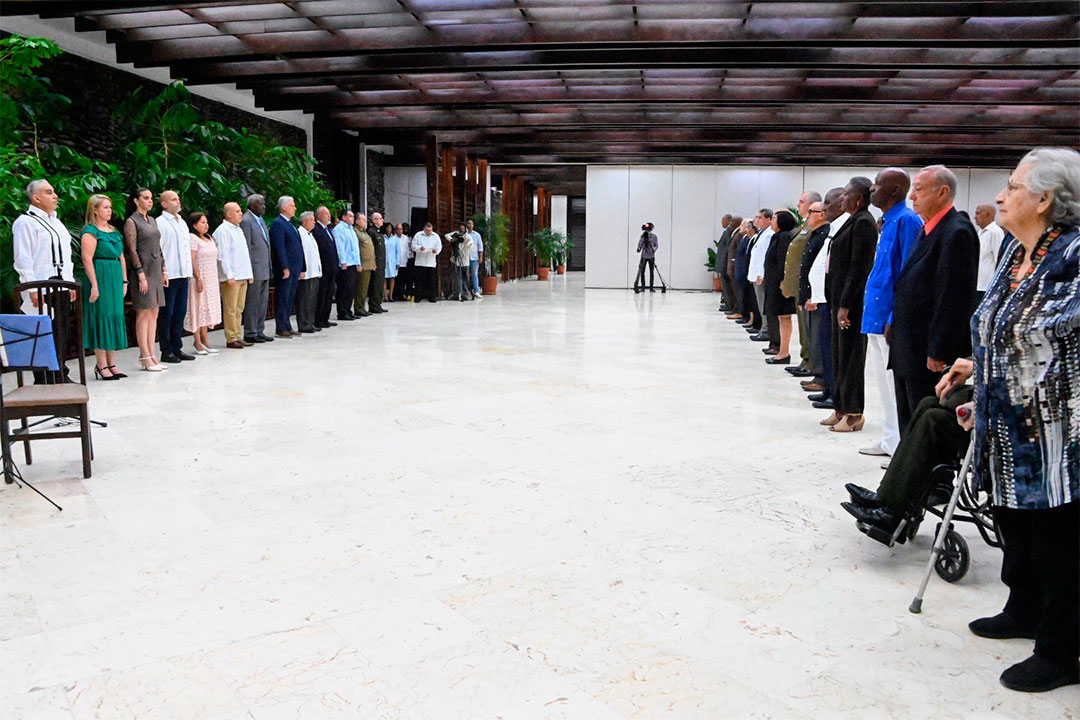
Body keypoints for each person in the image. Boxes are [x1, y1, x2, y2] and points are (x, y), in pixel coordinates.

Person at [945, 147, 1079, 693]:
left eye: (1015, 186)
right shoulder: (1014, 253)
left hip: (1059, 435)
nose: (1001, 196)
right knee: (1016, 530)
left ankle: (1063, 649)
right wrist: (980, 377)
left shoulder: (1071, 256)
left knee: (1059, 543)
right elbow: (1002, 329)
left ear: (1046, 199)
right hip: (1005, 425)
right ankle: (1022, 608)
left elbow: (1050, 334)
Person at [890, 165, 979, 435]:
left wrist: (938, 349)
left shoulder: (956, 232)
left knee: (923, 420)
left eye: (918, 190)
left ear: (942, 192)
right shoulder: (927, 229)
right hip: (908, 345)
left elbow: (953, 297)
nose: (912, 197)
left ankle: (925, 477)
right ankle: (904, 476)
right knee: (908, 419)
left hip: (928, 351)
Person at [860, 168, 923, 458]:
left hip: (888, 317)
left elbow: (909, 274)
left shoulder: (907, 221)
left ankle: (900, 444)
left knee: (892, 383)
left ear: (896, 190)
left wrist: (894, 318)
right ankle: (889, 439)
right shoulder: (887, 221)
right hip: (875, 311)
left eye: (877, 184)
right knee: (882, 384)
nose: (872, 189)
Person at [823, 177, 877, 432]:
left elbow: (859, 267)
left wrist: (845, 304)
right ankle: (841, 407)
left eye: (846, 194)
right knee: (840, 357)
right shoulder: (852, 221)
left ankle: (854, 413)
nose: (841, 198)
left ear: (859, 198)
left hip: (851, 304)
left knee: (852, 358)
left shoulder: (865, 223)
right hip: (838, 300)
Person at [12, 179, 77, 382]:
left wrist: (71, 280)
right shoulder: (25, 222)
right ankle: (43, 377)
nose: (55, 195)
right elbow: (23, 256)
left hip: (61, 284)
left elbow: (66, 255)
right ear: (36, 198)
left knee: (61, 330)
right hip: (40, 286)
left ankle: (60, 373)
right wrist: (30, 287)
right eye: (49, 192)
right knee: (42, 333)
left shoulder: (56, 222)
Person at [806, 188, 851, 412]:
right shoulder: (835, 227)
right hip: (824, 297)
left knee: (832, 349)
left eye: (828, 203)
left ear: (841, 203)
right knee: (826, 347)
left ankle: (835, 393)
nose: (824, 208)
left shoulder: (846, 225)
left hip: (831, 298)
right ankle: (829, 389)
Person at [79, 194, 128, 380]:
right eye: (105, 207)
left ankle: (112, 362)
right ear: (95, 210)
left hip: (115, 275)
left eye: (110, 207)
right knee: (101, 317)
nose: (109, 210)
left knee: (114, 315)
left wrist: (124, 281)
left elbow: (122, 257)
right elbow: (87, 259)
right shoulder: (90, 232)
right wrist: (94, 285)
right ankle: (101, 364)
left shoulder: (113, 230)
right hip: (100, 274)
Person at [123, 188, 167, 372]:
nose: (150, 201)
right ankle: (144, 355)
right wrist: (139, 272)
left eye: (151, 198)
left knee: (154, 312)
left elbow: (158, 245)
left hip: (156, 270)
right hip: (143, 271)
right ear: (136, 200)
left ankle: (152, 354)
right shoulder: (132, 222)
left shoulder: (153, 220)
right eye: (146, 198)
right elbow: (131, 249)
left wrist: (164, 268)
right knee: (143, 313)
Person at [780, 192, 821, 373]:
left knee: (808, 328)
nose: (798, 205)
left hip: (806, 286)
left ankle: (810, 362)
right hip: (797, 285)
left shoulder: (814, 227)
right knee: (803, 328)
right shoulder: (804, 226)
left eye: (802, 202)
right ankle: (806, 360)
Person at [797, 199, 833, 393]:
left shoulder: (825, 234)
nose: (807, 215)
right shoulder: (815, 234)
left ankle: (821, 378)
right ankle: (818, 375)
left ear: (821, 214)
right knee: (813, 336)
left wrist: (813, 294)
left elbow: (821, 269)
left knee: (820, 340)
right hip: (809, 294)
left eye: (811, 211)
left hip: (817, 296)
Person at [156, 190, 194, 363]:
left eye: (178, 199)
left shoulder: (182, 223)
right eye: (173, 199)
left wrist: (189, 271)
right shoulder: (160, 223)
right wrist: (163, 270)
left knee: (180, 312)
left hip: (183, 273)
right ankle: (166, 350)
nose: (178, 202)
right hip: (169, 275)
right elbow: (159, 249)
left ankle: (177, 347)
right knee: (167, 313)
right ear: (164, 204)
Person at [214, 202, 254, 350]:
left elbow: (244, 254)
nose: (241, 213)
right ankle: (231, 337)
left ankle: (238, 335)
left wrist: (249, 273)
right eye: (237, 211)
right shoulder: (223, 231)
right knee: (230, 308)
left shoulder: (238, 230)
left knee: (239, 308)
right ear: (229, 214)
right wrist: (228, 275)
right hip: (232, 277)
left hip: (242, 274)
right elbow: (223, 256)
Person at [762, 210, 798, 364]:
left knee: (784, 316)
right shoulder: (777, 236)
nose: (772, 221)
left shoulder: (784, 237)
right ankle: (781, 350)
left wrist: (783, 281)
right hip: (773, 283)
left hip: (780, 284)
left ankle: (784, 352)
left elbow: (783, 260)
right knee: (780, 316)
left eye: (775, 218)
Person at [184, 211, 222, 355]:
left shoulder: (209, 238)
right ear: (194, 225)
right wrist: (198, 278)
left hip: (211, 278)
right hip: (199, 277)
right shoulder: (192, 238)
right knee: (198, 308)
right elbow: (192, 259)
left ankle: (205, 340)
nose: (206, 225)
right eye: (202, 223)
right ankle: (197, 341)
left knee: (207, 308)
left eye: (206, 222)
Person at [269, 196, 305, 337]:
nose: (295, 208)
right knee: (283, 297)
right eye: (292, 205)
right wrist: (285, 267)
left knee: (290, 298)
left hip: (295, 267)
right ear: (284, 207)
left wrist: (301, 267)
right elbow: (280, 248)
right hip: (286, 268)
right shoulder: (278, 224)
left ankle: (287, 324)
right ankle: (280, 327)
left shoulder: (290, 224)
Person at [240, 194, 274, 345]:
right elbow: (246, 246)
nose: (264, 206)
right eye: (261, 204)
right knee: (252, 302)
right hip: (254, 267)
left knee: (262, 301)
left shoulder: (260, 220)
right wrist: (248, 269)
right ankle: (250, 331)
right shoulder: (247, 221)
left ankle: (259, 330)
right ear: (252, 205)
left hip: (264, 267)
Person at [747, 209, 774, 342]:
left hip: (760, 275)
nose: (757, 220)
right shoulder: (761, 233)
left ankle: (766, 329)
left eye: (760, 218)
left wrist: (761, 274)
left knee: (763, 304)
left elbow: (765, 257)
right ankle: (763, 328)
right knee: (759, 303)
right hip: (755, 274)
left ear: (769, 219)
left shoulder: (769, 234)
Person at [294, 211, 322, 334]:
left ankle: (310, 322)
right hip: (306, 273)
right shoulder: (300, 233)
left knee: (312, 299)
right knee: (304, 299)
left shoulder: (310, 234)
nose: (314, 222)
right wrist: (301, 269)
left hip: (314, 272)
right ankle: (304, 323)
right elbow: (300, 253)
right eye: (311, 220)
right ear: (305, 221)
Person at [311, 206, 339, 329]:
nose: (329, 216)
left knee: (329, 294)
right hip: (323, 268)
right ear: (319, 216)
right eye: (326, 214)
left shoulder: (327, 229)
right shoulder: (316, 230)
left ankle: (325, 318)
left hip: (331, 268)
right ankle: (319, 319)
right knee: (322, 294)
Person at [974, 203, 1006, 304]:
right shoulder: (980, 232)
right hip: (977, 283)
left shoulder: (995, 232)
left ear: (988, 215)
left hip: (986, 285)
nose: (975, 217)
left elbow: (1000, 258)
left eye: (978, 214)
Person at [332, 209, 360, 320]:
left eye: (353, 216)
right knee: (344, 289)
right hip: (345, 264)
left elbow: (355, 248)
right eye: (350, 216)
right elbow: (340, 247)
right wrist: (343, 261)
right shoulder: (339, 229)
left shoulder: (351, 230)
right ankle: (342, 312)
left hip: (353, 263)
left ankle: (348, 310)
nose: (352, 218)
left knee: (351, 289)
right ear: (344, 217)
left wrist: (358, 262)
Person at [411, 222, 442, 302]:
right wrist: (419, 248)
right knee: (419, 280)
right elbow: (413, 246)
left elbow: (439, 247)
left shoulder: (435, 236)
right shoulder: (418, 235)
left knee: (431, 281)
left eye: (430, 230)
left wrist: (436, 251)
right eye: (427, 230)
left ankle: (431, 297)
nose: (429, 232)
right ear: (424, 229)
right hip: (420, 262)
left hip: (431, 262)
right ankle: (418, 297)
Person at [353, 213, 375, 317]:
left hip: (369, 264)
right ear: (357, 221)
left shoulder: (364, 233)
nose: (365, 222)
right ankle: (358, 308)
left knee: (365, 288)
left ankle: (362, 307)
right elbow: (357, 249)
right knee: (360, 288)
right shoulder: (356, 232)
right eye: (363, 220)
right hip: (363, 264)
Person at [447, 221, 475, 301]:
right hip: (455, 260)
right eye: (460, 228)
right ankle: (456, 294)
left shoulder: (468, 236)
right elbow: (447, 235)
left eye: (463, 228)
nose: (461, 229)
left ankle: (465, 294)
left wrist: (466, 243)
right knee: (456, 278)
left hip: (465, 261)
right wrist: (452, 239)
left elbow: (471, 245)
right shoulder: (456, 234)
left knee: (465, 278)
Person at [367, 212, 388, 314]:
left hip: (381, 263)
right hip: (376, 263)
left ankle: (378, 303)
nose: (382, 220)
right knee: (375, 284)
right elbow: (371, 250)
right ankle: (373, 305)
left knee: (379, 284)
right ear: (375, 220)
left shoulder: (379, 232)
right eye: (380, 218)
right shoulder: (371, 232)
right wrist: (373, 263)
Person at [635, 222, 659, 293]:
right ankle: (643, 287)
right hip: (644, 255)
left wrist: (652, 247)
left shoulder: (654, 237)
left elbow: (656, 245)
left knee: (652, 272)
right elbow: (640, 244)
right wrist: (639, 248)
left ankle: (651, 287)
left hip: (651, 256)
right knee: (642, 271)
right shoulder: (642, 236)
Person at [396, 223, 413, 301]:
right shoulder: (393, 238)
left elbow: (408, 249)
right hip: (396, 262)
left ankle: (403, 294)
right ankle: (396, 295)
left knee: (404, 279)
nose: (400, 231)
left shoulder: (406, 238)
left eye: (401, 229)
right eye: (398, 229)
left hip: (405, 261)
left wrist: (408, 258)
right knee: (397, 279)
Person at [467, 218, 483, 296]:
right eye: (468, 223)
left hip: (474, 258)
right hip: (465, 258)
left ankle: (476, 291)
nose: (469, 225)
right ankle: (466, 290)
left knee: (474, 274)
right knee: (465, 275)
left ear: (473, 225)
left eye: (471, 224)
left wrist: (480, 257)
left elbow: (480, 247)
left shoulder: (477, 235)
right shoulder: (464, 234)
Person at [384, 222, 400, 302]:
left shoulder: (395, 239)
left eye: (390, 228)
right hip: (384, 260)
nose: (388, 229)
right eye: (387, 228)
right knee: (384, 278)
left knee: (392, 277)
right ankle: (385, 296)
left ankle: (391, 295)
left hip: (393, 261)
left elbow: (398, 252)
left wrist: (397, 262)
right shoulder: (382, 238)